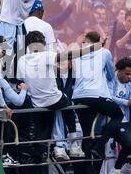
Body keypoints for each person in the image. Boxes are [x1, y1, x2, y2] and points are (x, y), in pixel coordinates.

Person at [17, 30, 95, 162]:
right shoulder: (46, 55)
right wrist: (90, 49)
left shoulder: (22, 59)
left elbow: (20, 82)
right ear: (42, 44)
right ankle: (73, 144)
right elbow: (69, 55)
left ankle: (42, 156)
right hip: (54, 99)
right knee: (68, 105)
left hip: (36, 103)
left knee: (43, 131)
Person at [71, 31, 124, 174]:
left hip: (78, 97)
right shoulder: (104, 52)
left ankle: (88, 171)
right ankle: (100, 146)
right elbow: (110, 75)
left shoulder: (78, 54)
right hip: (96, 96)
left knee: (87, 134)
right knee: (117, 114)